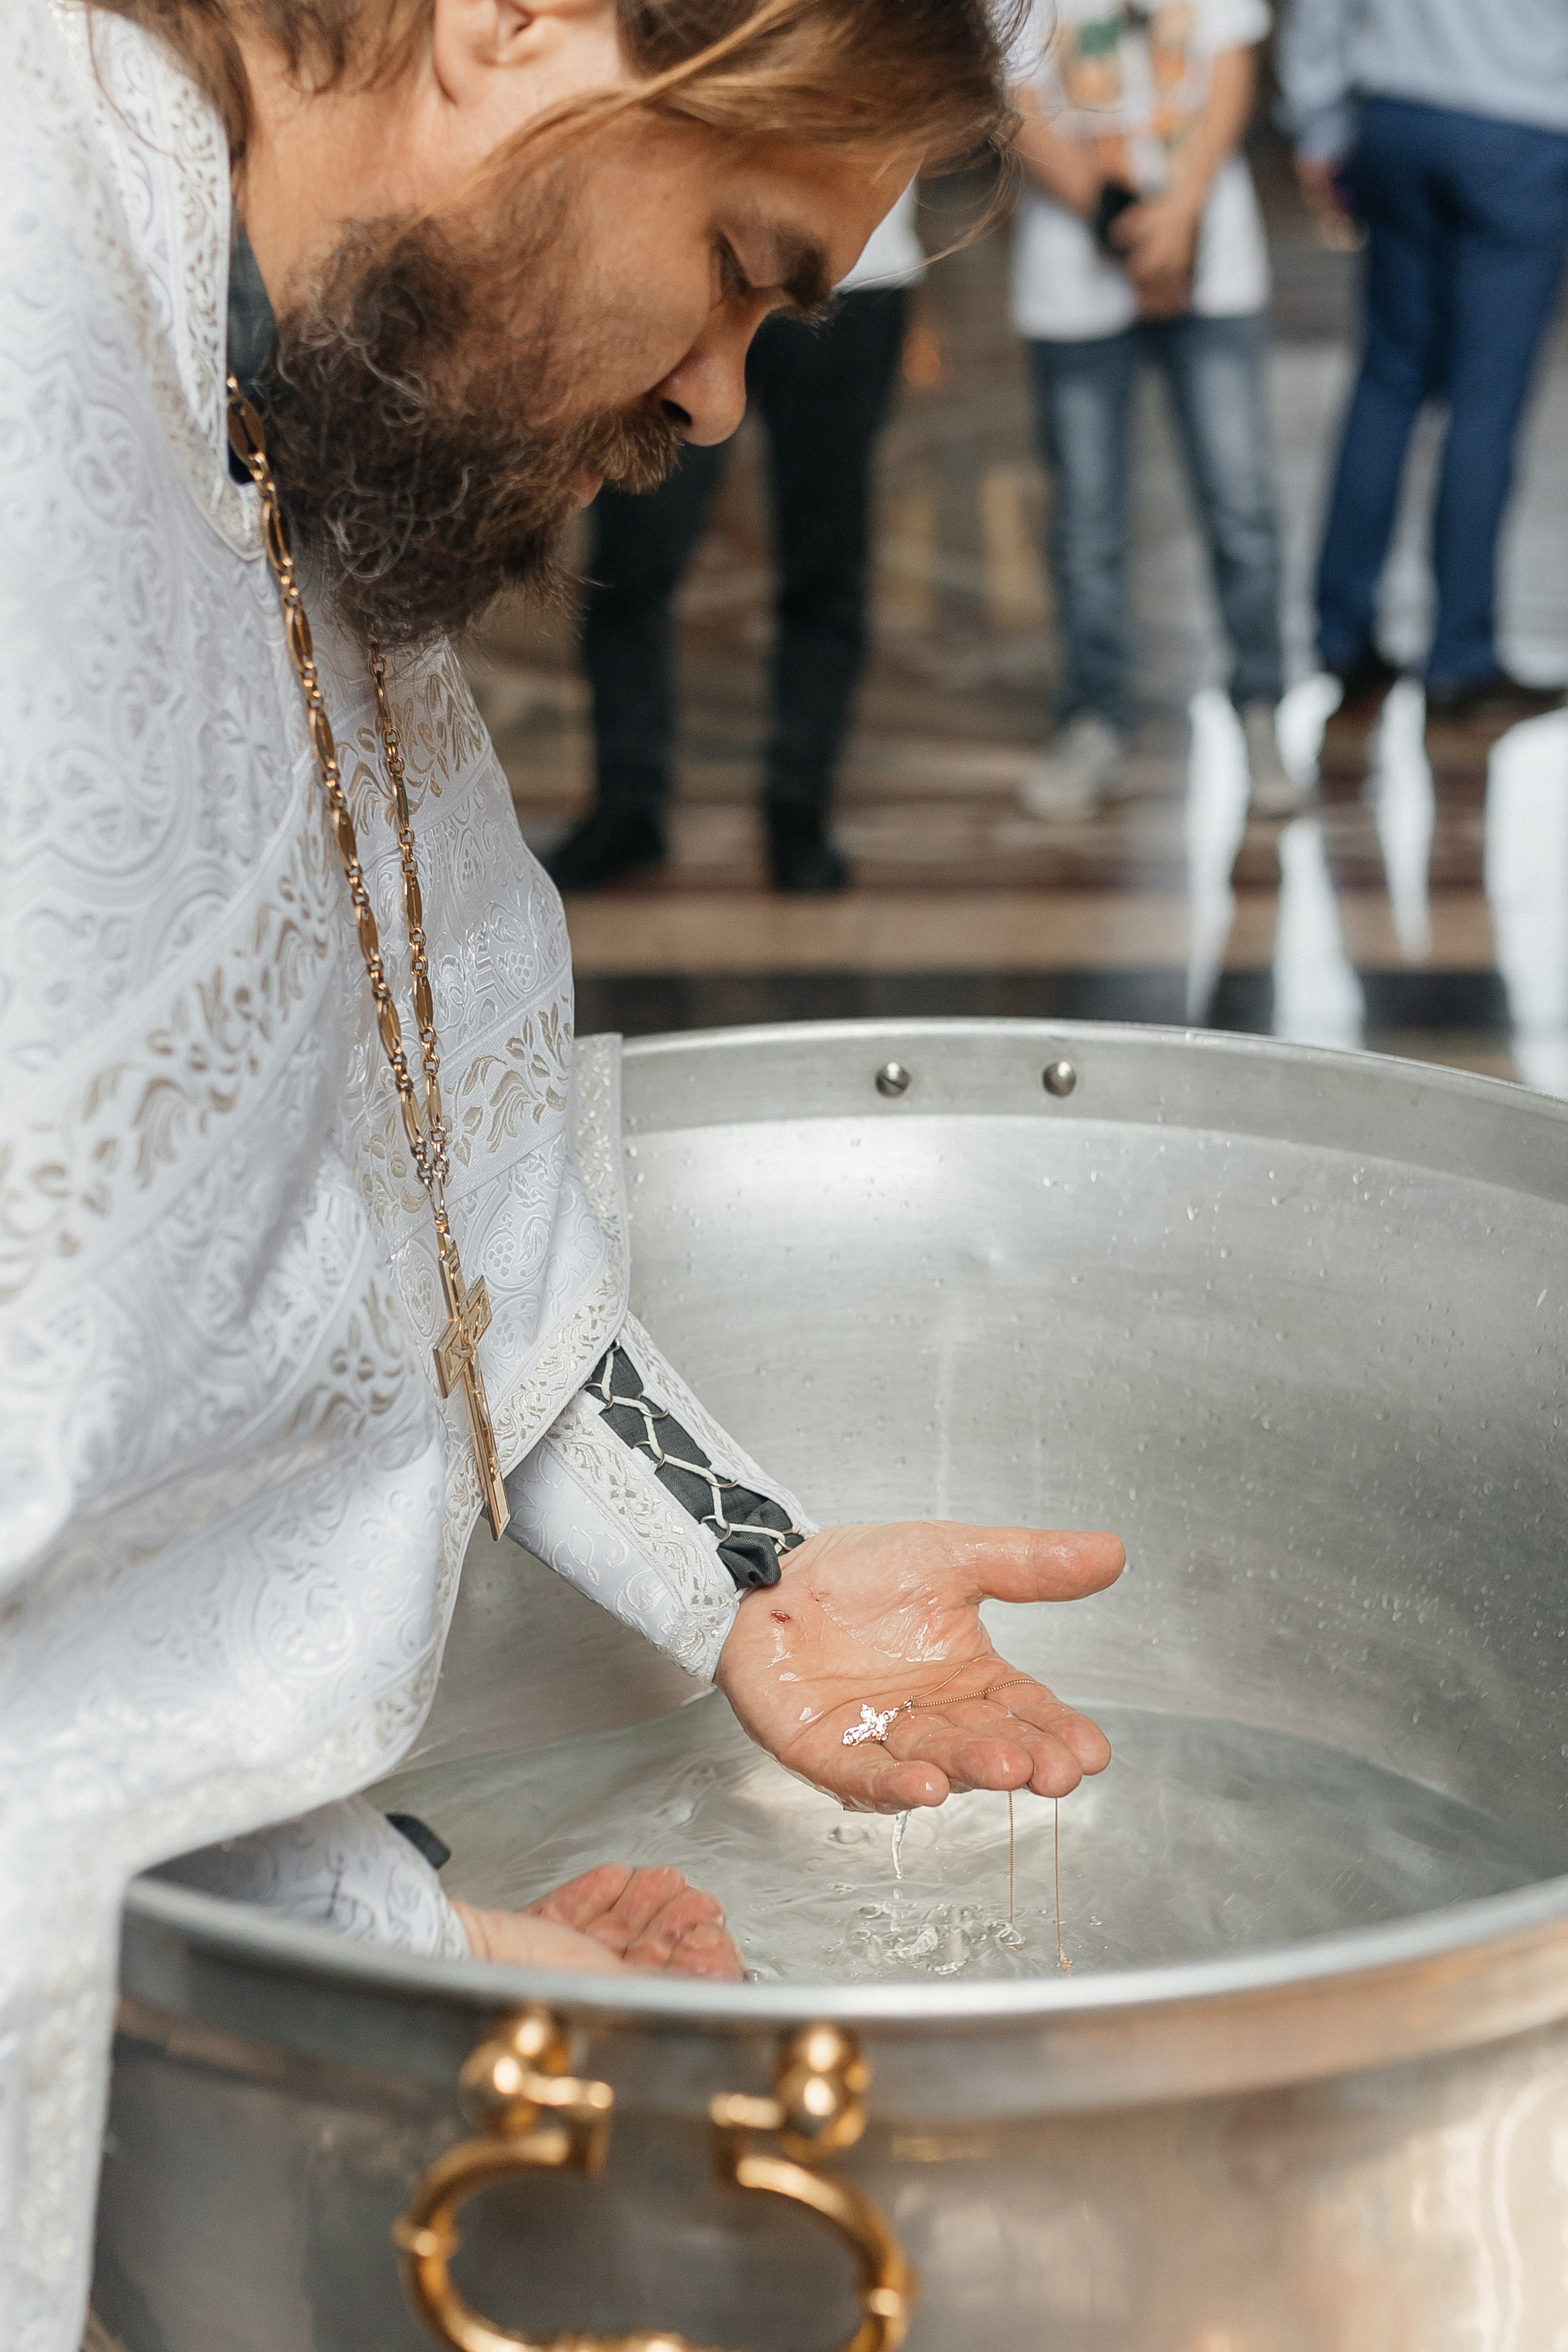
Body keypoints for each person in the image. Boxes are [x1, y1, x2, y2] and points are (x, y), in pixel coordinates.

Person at [0, 0, 1128, 2340]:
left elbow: (409, 1135)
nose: (717, 398)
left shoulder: (248, 324)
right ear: (521, 18)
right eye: (739, 262)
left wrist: (739, 1573)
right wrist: (407, 1940)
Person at [547, 189, 923, 896]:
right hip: (697, 267)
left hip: (856, 280)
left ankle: (799, 809)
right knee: (632, 556)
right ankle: (627, 806)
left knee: (826, 560)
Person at [1009, 0, 1304, 822]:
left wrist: (1180, 214)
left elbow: (1232, 69)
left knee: (1241, 503)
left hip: (1212, 261)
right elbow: (1013, 101)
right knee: (1086, 523)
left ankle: (1260, 709)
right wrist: (1115, 219)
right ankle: (1094, 717)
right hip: (1071, 275)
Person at [1278, 0, 1568, 734]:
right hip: (1523, 125)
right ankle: (1459, 658)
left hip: (1397, 117)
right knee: (1485, 401)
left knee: (1387, 378)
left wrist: (1317, 124)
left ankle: (1342, 637)